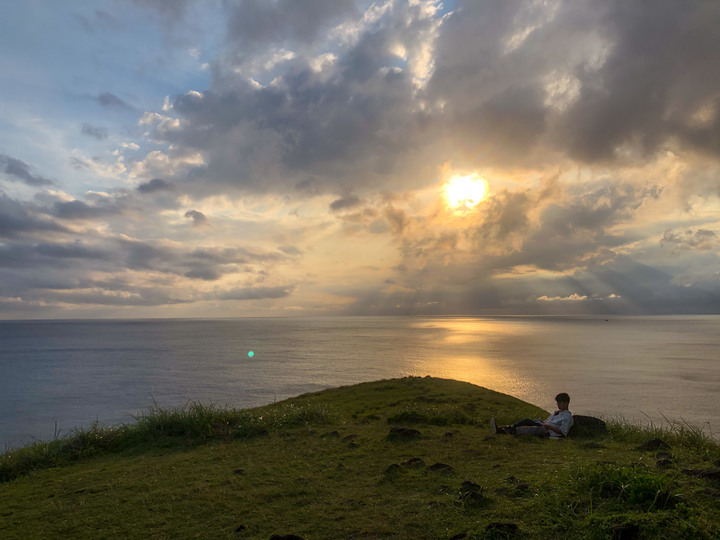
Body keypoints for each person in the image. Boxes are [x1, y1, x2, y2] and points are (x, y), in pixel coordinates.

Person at [490, 393, 574, 438]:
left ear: (566, 403)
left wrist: (549, 427)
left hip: (548, 431)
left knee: (525, 426)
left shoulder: (567, 417)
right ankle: (503, 429)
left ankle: (503, 430)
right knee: (527, 421)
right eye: (557, 402)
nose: (558, 404)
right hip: (544, 425)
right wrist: (543, 421)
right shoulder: (556, 412)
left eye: (560, 402)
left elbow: (563, 432)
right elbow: (548, 421)